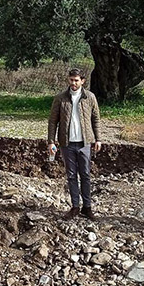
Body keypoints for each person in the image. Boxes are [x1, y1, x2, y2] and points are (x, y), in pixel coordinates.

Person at [48, 68, 102, 219]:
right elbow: (53, 121)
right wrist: (51, 141)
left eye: (76, 80)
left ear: (82, 81)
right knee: (71, 176)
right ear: (68, 80)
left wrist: (98, 139)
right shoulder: (60, 98)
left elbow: (95, 119)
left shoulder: (90, 97)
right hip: (67, 143)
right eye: (71, 80)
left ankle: (87, 207)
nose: (73, 83)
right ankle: (75, 207)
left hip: (85, 143)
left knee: (85, 175)